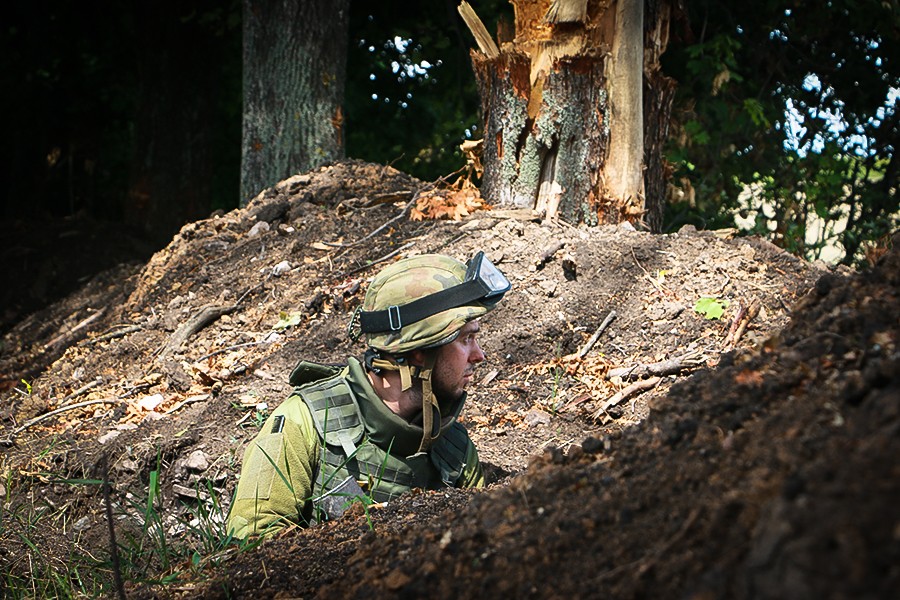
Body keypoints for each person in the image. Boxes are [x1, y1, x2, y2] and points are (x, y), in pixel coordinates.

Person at [226, 251, 511, 538]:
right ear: (418, 352)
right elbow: (251, 542)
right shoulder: (304, 421)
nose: (479, 355)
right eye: (466, 339)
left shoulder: (453, 448)